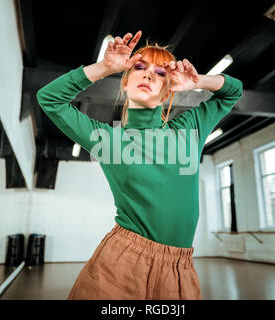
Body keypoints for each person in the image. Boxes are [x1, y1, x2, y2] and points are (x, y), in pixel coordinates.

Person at [36, 30, 243, 300]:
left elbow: (233, 91)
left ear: (169, 89)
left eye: (160, 73)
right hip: (123, 263)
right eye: (140, 67)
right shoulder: (108, 140)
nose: (148, 75)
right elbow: (49, 99)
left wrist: (198, 81)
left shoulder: (188, 129)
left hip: (179, 268)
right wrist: (105, 67)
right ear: (125, 82)